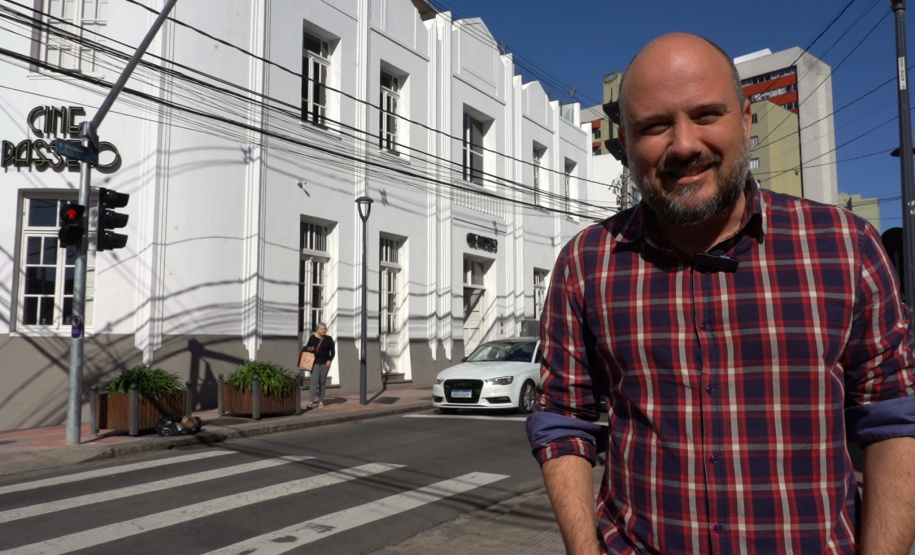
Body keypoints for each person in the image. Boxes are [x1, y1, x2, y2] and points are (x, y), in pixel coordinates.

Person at [526, 32, 915, 555]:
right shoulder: (586, 263)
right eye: (655, 126)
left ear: (747, 120)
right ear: (627, 144)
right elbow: (562, 421)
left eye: (707, 114)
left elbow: (894, 418)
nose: (684, 144)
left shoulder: (847, 249)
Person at [301, 323, 335, 409]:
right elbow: (307, 348)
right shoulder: (312, 338)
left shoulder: (329, 339)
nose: (324, 330)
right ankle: (310, 402)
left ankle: (321, 401)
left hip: (325, 363)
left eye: (325, 329)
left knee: (322, 382)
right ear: (317, 329)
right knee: (314, 382)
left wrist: (329, 360)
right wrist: (310, 348)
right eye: (322, 329)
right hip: (314, 363)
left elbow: (333, 352)